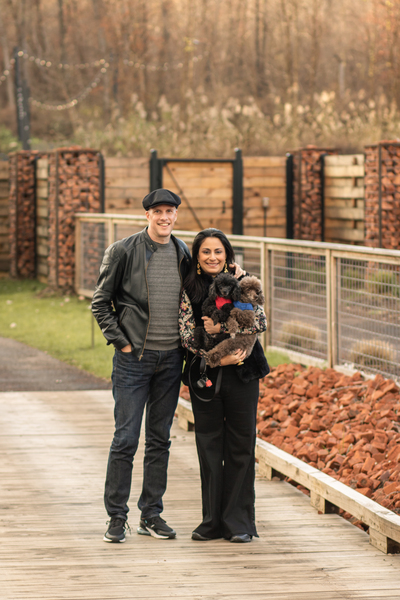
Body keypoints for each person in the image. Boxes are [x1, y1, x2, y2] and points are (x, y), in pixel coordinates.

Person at [91, 188, 191, 543]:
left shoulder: (184, 253)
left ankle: (152, 514)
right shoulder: (123, 251)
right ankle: (117, 517)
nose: (165, 217)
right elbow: (100, 303)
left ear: (176, 215)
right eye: (158, 211)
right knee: (125, 439)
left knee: (159, 440)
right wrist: (123, 343)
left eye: (171, 211)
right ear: (147, 215)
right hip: (133, 360)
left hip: (171, 361)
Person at [179, 228, 269, 543]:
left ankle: (239, 522)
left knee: (241, 446)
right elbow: (187, 333)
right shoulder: (188, 288)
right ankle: (211, 522)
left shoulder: (244, 283)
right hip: (206, 376)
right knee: (208, 446)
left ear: (227, 254)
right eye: (206, 252)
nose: (213, 257)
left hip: (244, 374)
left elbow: (260, 322)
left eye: (218, 251)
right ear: (198, 258)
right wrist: (216, 358)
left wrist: (223, 328)